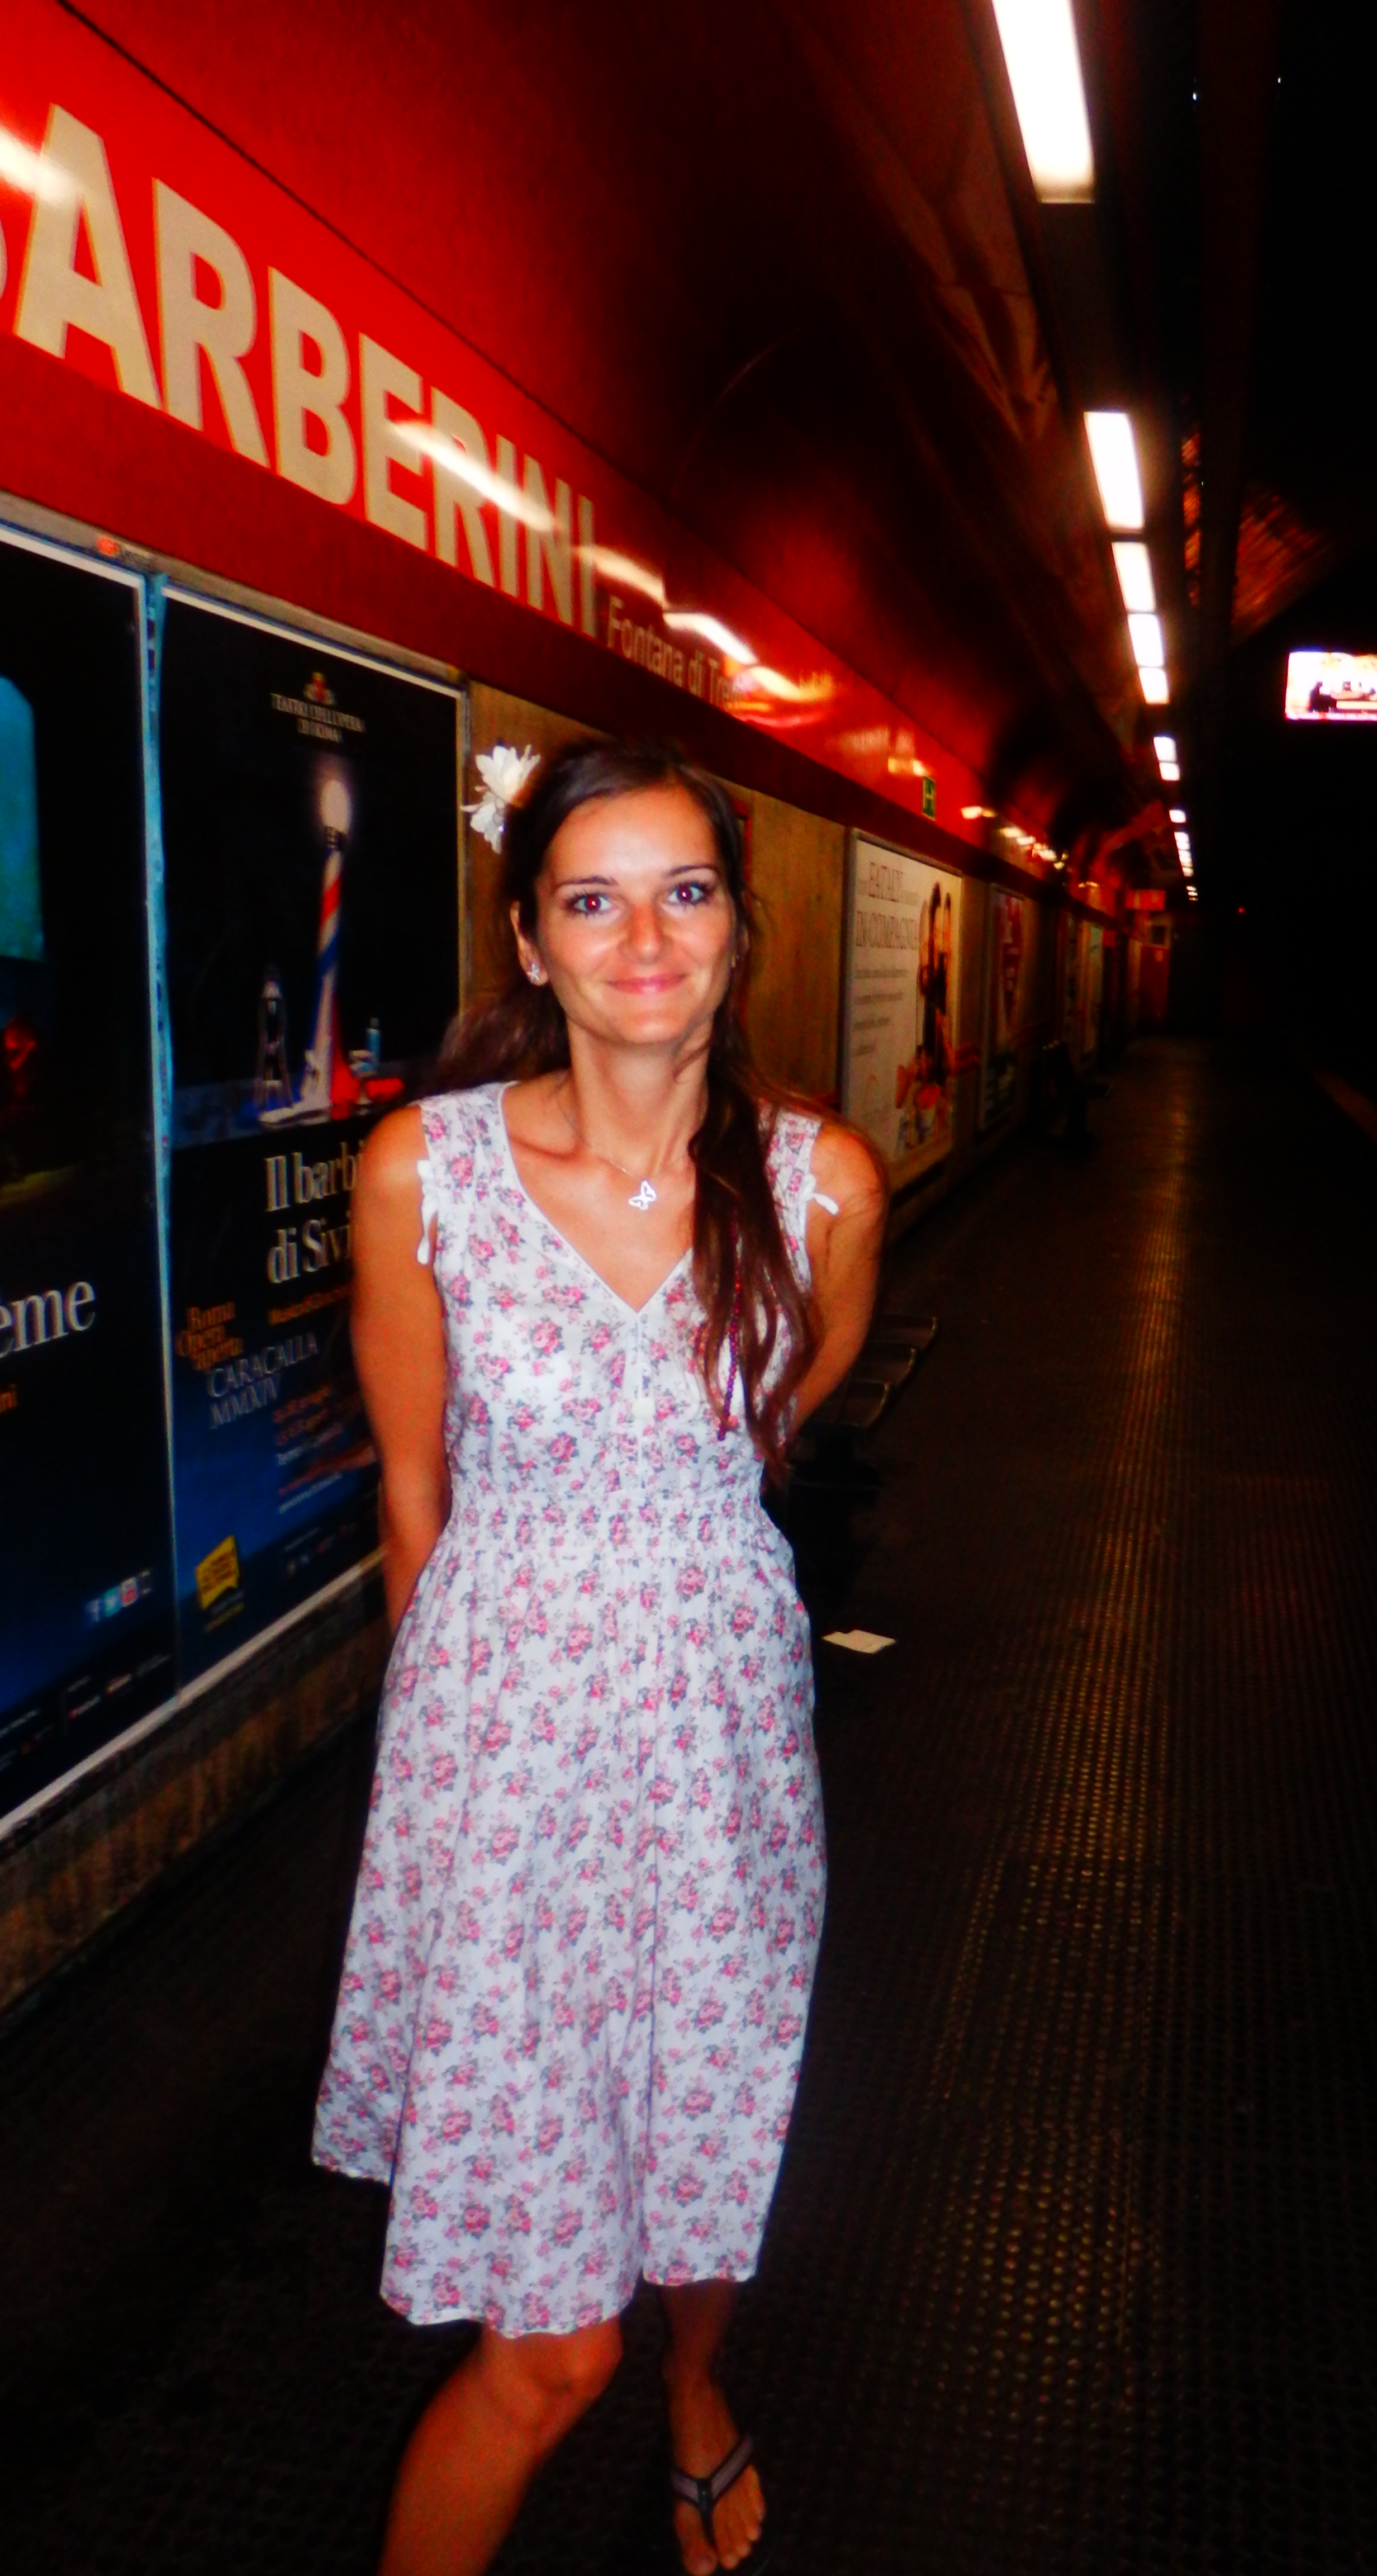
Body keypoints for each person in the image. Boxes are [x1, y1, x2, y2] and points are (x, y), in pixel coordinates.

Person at [312, 740, 887, 2576]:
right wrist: (452, 1782)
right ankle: (619, 2370)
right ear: (531, 940)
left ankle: (699, 2385)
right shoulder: (426, 1170)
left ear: (739, 928)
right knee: (548, 2347)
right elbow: (416, 1491)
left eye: (685, 892)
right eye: (593, 898)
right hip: (507, 1761)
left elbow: (771, 1428)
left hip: (721, 1741)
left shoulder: (823, 1186)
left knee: (711, 2108)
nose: (645, 938)